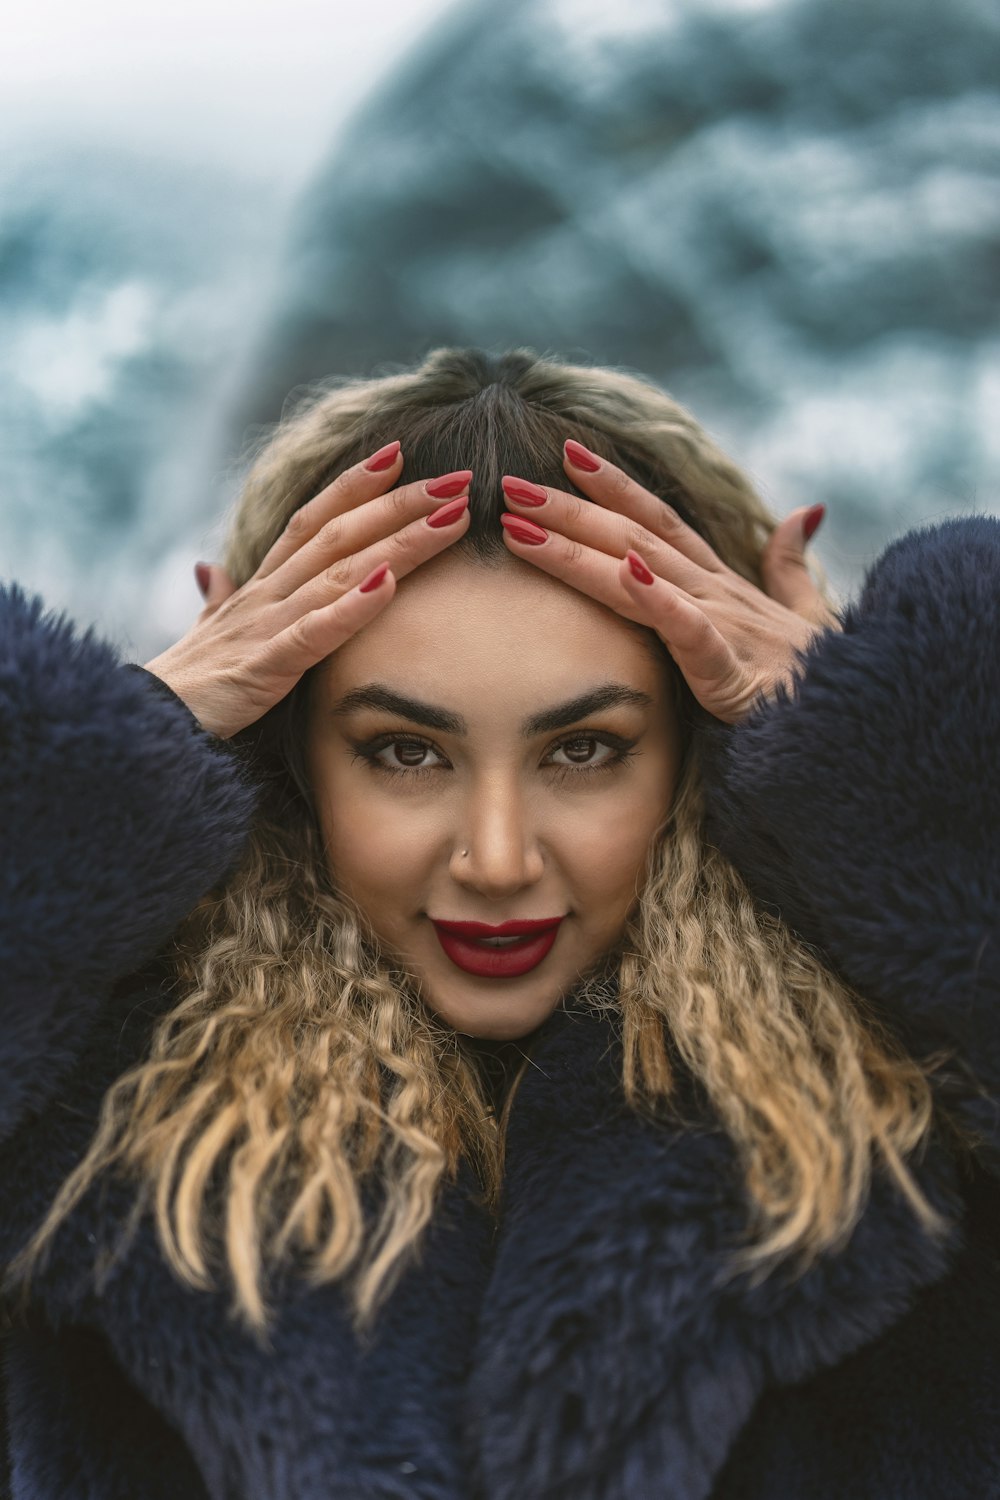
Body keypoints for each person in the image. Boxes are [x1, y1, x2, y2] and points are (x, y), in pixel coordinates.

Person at [1, 345, 997, 1499]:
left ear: (706, 752)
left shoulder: (916, 1098)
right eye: (403, 751)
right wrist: (111, 754)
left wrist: (912, 768)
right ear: (279, 751)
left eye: (584, 749)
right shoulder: (91, 1123)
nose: (495, 858)